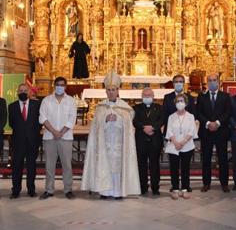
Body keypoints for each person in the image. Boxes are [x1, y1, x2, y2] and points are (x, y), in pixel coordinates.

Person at [81, 70, 140, 199]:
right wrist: (105, 119)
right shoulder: (100, 107)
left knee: (118, 168)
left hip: (119, 143)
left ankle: (118, 192)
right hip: (105, 143)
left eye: (113, 89)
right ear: (106, 91)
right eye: (109, 90)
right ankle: (104, 191)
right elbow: (95, 126)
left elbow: (129, 126)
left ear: (118, 91)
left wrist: (118, 119)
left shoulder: (125, 107)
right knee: (104, 165)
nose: (111, 92)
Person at [39, 77, 77, 200]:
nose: (60, 87)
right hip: (50, 136)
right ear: (54, 86)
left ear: (65, 86)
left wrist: (61, 132)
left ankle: (68, 189)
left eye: (62, 85)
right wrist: (54, 131)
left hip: (65, 137)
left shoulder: (71, 101)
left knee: (67, 165)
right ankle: (49, 190)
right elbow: (42, 118)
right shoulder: (46, 100)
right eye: (58, 85)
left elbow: (72, 119)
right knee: (49, 165)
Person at [197, 73, 231, 193]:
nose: (212, 82)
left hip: (221, 131)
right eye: (210, 80)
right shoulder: (201, 96)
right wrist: (207, 123)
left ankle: (224, 183)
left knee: (223, 159)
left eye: (214, 80)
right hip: (206, 132)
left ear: (219, 82)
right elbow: (198, 113)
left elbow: (228, 112)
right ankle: (206, 183)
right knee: (206, 159)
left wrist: (217, 123)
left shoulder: (225, 96)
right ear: (207, 82)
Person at [8, 83, 42, 199]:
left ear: (29, 92)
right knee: (16, 167)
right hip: (18, 141)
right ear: (17, 92)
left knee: (31, 166)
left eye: (25, 90)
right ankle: (15, 190)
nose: (23, 92)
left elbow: (39, 122)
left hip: (33, 141)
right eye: (20, 90)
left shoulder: (37, 104)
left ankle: (31, 190)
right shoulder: (12, 106)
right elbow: (11, 123)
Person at [165, 93, 198, 200]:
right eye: (178, 101)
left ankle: (184, 188)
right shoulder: (171, 117)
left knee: (185, 168)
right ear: (175, 104)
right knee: (174, 168)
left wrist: (182, 142)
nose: (180, 103)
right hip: (174, 146)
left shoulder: (190, 116)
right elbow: (169, 131)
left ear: (186, 103)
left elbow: (192, 131)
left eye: (182, 101)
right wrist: (176, 142)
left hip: (186, 145)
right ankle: (175, 189)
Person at [133, 87, 164, 196]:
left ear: (153, 97)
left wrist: (153, 128)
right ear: (142, 97)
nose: (147, 97)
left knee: (154, 164)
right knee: (141, 165)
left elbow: (162, 120)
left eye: (149, 95)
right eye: (145, 95)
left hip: (155, 140)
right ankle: (143, 187)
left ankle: (155, 187)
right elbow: (134, 121)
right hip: (141, 139)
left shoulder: (159, 107)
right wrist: (143, 127)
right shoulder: (136, 108)